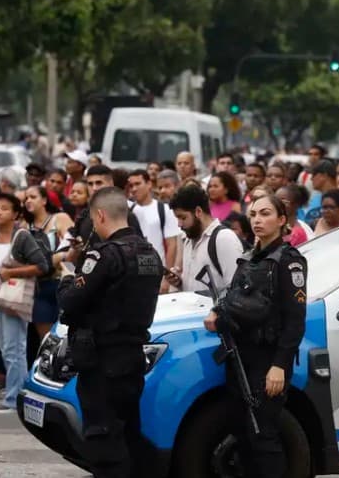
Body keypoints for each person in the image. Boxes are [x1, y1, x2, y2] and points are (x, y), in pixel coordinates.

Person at [59, 187, 162, 478]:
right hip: (132, 359)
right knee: (128, 436)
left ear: (100, 215)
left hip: (102, 362)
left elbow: (70, 301)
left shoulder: (104, 256)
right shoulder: (150, 253)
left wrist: (67, 280)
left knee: (103, 443)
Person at [203, 194, 307, 478]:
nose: (258, 220)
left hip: (267, 360)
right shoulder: (248, 257)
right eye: (253, 215)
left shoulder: (289, 262)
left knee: (263, 435)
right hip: (240, 356)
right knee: (242, 433)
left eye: (265, 214)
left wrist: (280, 366)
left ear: (282, 220)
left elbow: (296, 321)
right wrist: (217, 310)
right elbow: (233, 294)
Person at [0, 192, 50, 413]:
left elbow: (42, 266)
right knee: (5, 348)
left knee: (14, 349)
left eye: (4, 208)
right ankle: (15, 393)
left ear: (16, 214)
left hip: (13, 300)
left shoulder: (22, 237)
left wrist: (10, 273)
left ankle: (14, 400)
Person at [166, 185, 243, 293]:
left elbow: (237, 289)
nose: (179, 224)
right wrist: (179, 282)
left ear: (198, 211)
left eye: (183, 217)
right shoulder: (188, 240)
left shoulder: (224, 238)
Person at [24, 185, 75, 339]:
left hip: (62, 283)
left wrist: (59, 258)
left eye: (33, 197)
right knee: (46, 339)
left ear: (44, 200)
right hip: (38, 287)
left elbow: (76, 246)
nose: (28, 201)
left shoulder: (59, 218)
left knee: (66, 335)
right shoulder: (25, 226)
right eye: (26, 198)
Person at [127, 170, 181, 274]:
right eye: (131, 185)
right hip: (134, 271)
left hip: (158, 269)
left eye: (138, 184)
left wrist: (167, 276)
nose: (134, 189)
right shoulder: (127, 210)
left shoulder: (163, 209)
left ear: (149, 184)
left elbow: (171, 245)